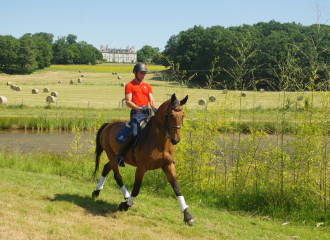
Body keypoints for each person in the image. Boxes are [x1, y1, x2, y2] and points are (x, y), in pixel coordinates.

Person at [116, 63, 157, 167]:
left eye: (144, 73)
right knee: (134, 133)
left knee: (158, 130)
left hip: (147, 112)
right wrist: (139, 108)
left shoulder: (148, 86)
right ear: (135, 72)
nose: (143, 75)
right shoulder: (129, 85)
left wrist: (154, 108)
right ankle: (120, 155)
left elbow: (151, 101)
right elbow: (128, 102)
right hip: (136, 113)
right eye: (141, 73)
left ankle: (165, 155)